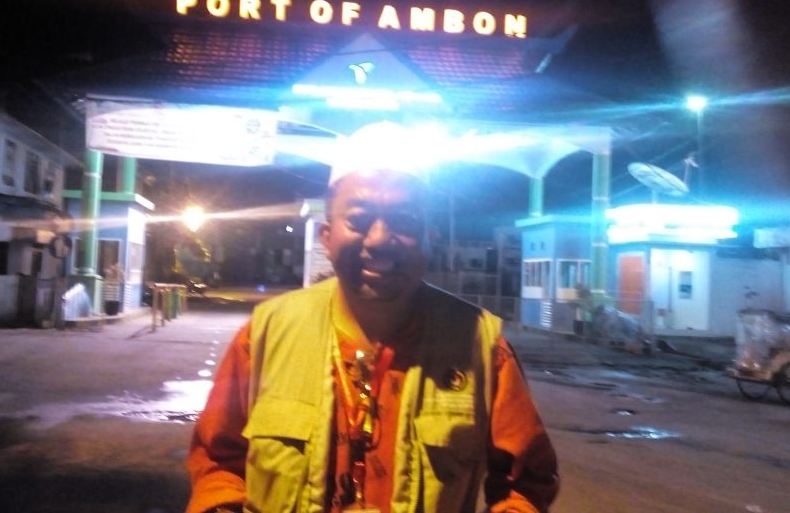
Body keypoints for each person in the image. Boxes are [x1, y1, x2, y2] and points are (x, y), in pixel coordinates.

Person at [186, 123, 559, 512]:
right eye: (359, 220)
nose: (380, 239)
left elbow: (527, 483)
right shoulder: (265, 335)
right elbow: (217, 463)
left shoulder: (481, 347)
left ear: (430, 238)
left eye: (404, 221)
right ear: (327, 237)